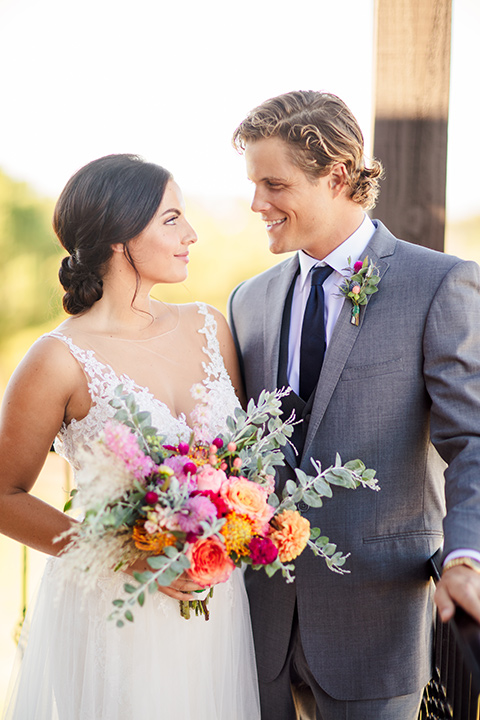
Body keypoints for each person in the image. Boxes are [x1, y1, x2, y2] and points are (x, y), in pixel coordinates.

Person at [228, 90, 480, 720]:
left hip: (376, 617)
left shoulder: (438, 283)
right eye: (253, 184)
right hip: (256, 629)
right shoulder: (248, 301)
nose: (257, 202)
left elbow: (470, 442)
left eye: (274, 183)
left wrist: (467, 556)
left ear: (337, 176)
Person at [0, 154, 260, 720]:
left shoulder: (208, 325)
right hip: (115, 606)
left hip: (214, 594)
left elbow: (240, 465)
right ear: (120, 237)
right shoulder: (58, 358)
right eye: (172, 219)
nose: (191, 234)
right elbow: (4, 496)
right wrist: (130, 558)